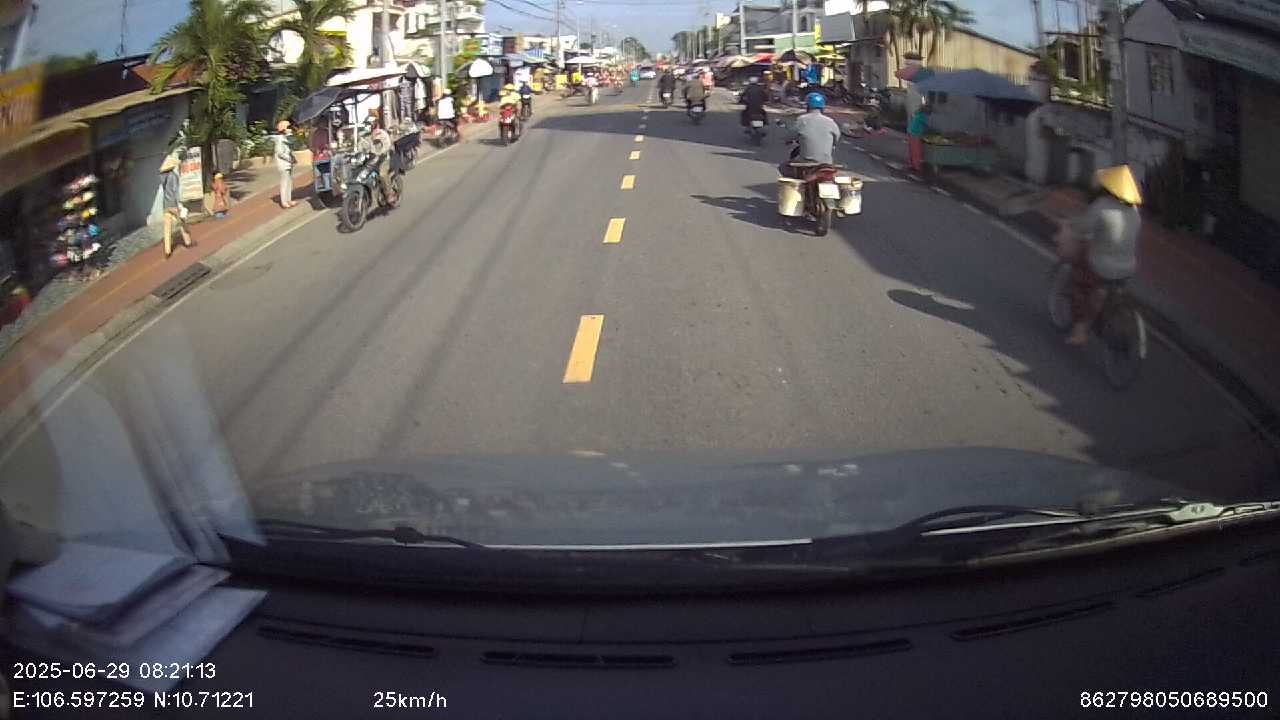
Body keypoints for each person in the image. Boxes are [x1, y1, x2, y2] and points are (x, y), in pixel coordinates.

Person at [1058, 165, 1143, 346]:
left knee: (1079, 282)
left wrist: (1069, 223)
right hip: (1128, 268)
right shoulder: (1134, 211)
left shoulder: (1102, 206)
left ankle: (1080, 330)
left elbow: (1083, 228)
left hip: (1102, 267)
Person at [779, 92, 841, 178]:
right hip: (827, 163)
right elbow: (836, 138)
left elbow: (789, 136)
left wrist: (787, 140)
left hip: (806, 162)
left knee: (783, 167)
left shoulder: (802, 120)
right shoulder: (831, 122)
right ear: (822, 107)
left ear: (807, 106)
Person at [159, 154, 192, 258]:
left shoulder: (162, 176)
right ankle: (188, 242)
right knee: (182, 222)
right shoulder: (173, 176)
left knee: (167, 228)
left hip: (166, 205)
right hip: (173, 204)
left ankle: (167, 250)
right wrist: (179, 204)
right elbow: (175, 191)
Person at [273, 119, 297, 209]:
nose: (290, 129)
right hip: (283, 164)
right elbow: (280, 153)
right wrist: (289, 158)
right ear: (283, 129)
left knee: (289, 182)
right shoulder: (280, 139)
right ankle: (284, 201)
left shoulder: (285, 138)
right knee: (284, 182)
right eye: (288, 127)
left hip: (288, 163)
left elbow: (288, 151)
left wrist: (292, 158)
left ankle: (289, 199)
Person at [906, 103, 932, 173]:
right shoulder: (923, 116)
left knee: (911, 149)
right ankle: (916, 166)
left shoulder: (917, 113)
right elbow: (927, 126)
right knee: (916, 150)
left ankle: (911, 164)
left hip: (910, 131)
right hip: (915, 133)